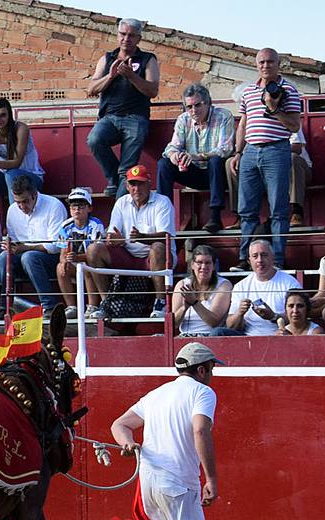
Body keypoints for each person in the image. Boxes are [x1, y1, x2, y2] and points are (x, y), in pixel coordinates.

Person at [113, 341, 220, 520]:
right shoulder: (203, 392)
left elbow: (120, 425)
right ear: (201, 369)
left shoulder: (157, 394)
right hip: (179, 482)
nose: (212, 374)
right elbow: (200, 430)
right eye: (211, 368)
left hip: (148, 482)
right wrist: (211, 477)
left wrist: (126, 443)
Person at [231, 48, 303, 264]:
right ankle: (245, 258)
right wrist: (238, 152)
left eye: (270, 62)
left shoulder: (288, 89)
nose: (265, 66)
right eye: (261, 62)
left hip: (276, 149)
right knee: (246, 210)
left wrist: (274, 109)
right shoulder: (249, 91)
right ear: (256, 64)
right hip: (250, 151)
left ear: (278, 64)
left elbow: (294, 125)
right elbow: (243, 122)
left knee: (279, 209)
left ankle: (278, 259)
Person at [86, 17, 160, 197]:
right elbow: (91, 89)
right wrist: (110, 76)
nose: (126, 39)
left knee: (127, 167)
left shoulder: (148, 59)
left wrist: (132, 76)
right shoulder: (107, 58)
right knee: (94, 140)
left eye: (132, 35)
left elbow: (153, 90)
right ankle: (113, 178)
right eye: (123, 34)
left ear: (139, 39)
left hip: (136, 118)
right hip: (109, 117)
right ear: (117, 35)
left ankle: (118, 210)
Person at [86, 164, 175, 311]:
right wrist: (112, 240)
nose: (136, 189)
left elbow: (166, 237)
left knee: (158, 247)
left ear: (149, 184)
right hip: (127, 254)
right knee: (93, 249)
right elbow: (113, 233)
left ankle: (161, 302)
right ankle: (106, 301)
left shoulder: (162, 201)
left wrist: (141, 237)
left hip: (153, 257)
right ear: (127, 186)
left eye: (140, 184)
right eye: (133, 184)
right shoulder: (121, 202)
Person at [157, 83, 234, 234]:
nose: (193, 110)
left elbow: (225, 149)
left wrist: (196, 156)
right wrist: (175, 156)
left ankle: (215, 217)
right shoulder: (183, 119)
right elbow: (172, 147)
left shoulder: (224, 116)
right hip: (195, 173)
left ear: (208, 103)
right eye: (189, 107)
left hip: (219, 174)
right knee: (164, 164)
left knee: (216, 160)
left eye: (197, 105)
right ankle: (163, 216)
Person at [0, 175, 67, 311]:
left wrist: (25, 248)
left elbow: (55, 246)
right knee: (3, 257)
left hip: (51, 258)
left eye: (25, 201)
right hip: (24, 257)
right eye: (18, 202)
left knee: (29, 257)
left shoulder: (54, 206)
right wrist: (9, 246)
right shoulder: (12, 210)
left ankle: (49, 305)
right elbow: (14, 240)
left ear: (35, 194)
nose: (22, 206)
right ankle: (4, 306)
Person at [0, 97, 43, 214]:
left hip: (32, 179)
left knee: (11, 173)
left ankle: (16, 218)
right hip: (5, 180)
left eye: (3, 115)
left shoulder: (20, 128)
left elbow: (16, 163)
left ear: (9, 116)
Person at [225, 239, 302, 336]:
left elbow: (300, 318)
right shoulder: (241, 286)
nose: (260, 260)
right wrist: (239, 313)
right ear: (249, 261)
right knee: (218, 332)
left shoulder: (290, 283)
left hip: (280, 336)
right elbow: (230, 326)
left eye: (264, 255)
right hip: (247, 338)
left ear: (273, 258)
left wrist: (273, 317)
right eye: (255, 256)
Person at [53, 187, 107, 314]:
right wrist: (64, 261)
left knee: (85, 266)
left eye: (81, 206)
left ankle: (92, 305)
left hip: (91, 263)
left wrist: (78, 258)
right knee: (60, 267)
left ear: (89, 208)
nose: (77, 209)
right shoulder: (65, 226)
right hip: (73, 261)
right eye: (73, 206)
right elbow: (62, 251)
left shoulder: (96, 224)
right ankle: (72, 307)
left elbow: (96, 252)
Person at [171, 245, 233, 337]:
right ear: (192, 265)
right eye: (199, 262)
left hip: (210, 337)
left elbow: (213, 322)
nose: (203, 267)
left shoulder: (224, 285)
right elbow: (174, 324)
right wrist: (184, 307)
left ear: (214, 266)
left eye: (208, 263)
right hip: (184, 336)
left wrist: (194, 303)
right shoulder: (182, 284)